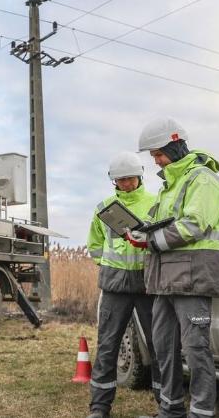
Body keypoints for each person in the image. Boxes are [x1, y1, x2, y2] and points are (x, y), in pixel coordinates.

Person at [136, 118, 219, 418]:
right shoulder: (170, 186)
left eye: (158, 154)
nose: (156, 161)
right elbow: (163, 227)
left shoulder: (202, 179)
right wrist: (140, 234)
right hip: (165, 281)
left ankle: (201, 412)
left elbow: (193, 225)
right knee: (163, 348)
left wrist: (150, 242)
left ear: (175, 147)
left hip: (193, 278)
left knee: (195, 349)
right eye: (153, 157)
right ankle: (171, 410)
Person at [86, 151, 161, 418]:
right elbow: (94, 245)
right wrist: (105, 265)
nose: (126, 184)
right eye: (121, 180)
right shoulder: (104, 208)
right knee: (108, 346)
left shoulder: (156, 202)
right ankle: (99, 408)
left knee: (158, 345)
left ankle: (165, 405)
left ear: (140, 176)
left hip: (147, 284)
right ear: (112, 180)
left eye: (130, 179)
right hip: (114, 285)